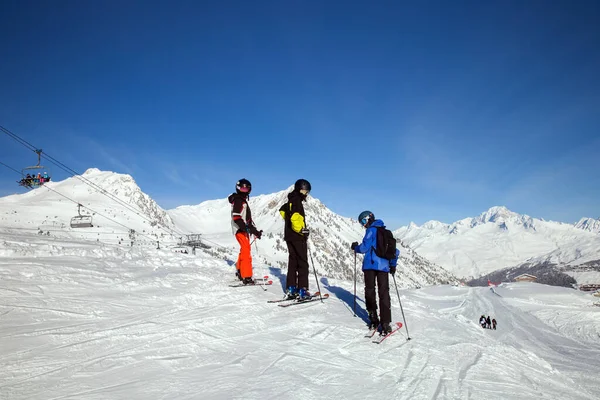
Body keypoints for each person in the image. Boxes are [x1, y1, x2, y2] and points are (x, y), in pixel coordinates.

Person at [351, 211, 399, 335]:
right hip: (383, 267)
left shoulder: (371, 230)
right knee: (384, 293)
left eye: (363, 221)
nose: (363, 225)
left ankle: (373, 318)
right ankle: (386, 322)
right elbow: (395, 251)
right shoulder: (386, 232)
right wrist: (392, 265)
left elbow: (364, 248)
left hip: (370, 266)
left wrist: (355, 247)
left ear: (369, 219)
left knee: (370, 290)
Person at [279, 179, 311, 300]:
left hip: (289, 236)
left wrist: (291, 226)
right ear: (299, 189)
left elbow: (282, 211)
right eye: (304, 191)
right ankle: (302, 290)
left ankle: (291, 288)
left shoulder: (290, 200)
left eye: (307, 191)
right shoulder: (297, 201)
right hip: (298, 237)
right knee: (302, 262)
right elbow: (295, 218)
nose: (305, 194)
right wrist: (302, 230)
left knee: (293, 262)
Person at [228, 178, 262, 285]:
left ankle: (240, 270)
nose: (244, 190)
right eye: (242, 188)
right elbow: (236, 216)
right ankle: (246, 276)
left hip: (241, 229)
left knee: (244, 249)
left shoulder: (241, 201)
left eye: (246, 189)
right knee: (246, 251)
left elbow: (247, 220)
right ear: (238, 189)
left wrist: (255, 232)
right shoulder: (239, 200)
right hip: (239, 229)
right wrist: (243, 228)